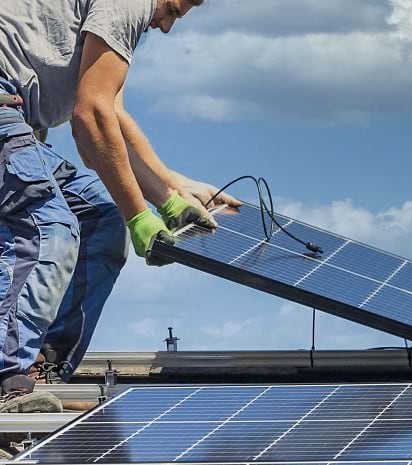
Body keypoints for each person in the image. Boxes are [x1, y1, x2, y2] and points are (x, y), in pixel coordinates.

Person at [0, 0, 240, 413]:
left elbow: (108, 122)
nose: (165, 26)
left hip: (15, 120)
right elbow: (89, 120)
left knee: (100, 220)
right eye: (175, 12)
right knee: (49, 229)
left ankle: (41, 366)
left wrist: (174, 189)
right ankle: (7, 380)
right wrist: (143, 216)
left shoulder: (110, 19)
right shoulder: (127, 2)